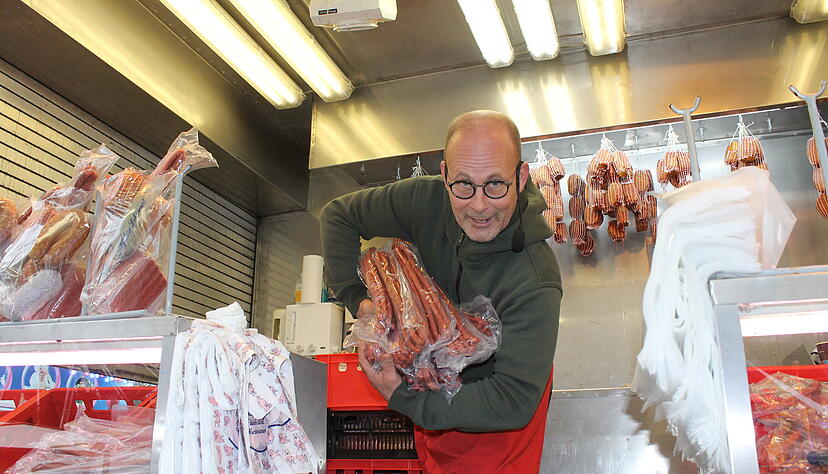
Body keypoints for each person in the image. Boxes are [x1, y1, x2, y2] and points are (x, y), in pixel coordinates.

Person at [321, 110, 562, 473]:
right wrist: (361, 303)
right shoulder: (426, 199)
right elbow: (338, 215)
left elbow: (513, 400)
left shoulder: (536, 277)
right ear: (445, 174)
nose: (480, 205)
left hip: (496, 425)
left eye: (496, 184)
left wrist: (405, 398)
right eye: (464, 184)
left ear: (521, 176)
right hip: (432, 407)